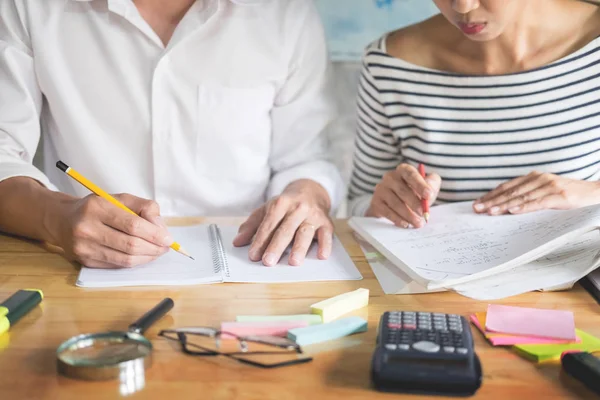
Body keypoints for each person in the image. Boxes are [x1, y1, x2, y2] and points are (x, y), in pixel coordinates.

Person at [0, 0, 343, 269]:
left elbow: (307, 158)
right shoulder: (28, 6)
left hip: (244, 263)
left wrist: (306, 196)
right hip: (75, 267)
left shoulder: (287, 13)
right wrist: (57, 217)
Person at [348, 0, 600, 227]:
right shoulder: (388, 66)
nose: (463, 7)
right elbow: (358, 204)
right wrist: (382, 206)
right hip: (440, 276)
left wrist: (592, 193)